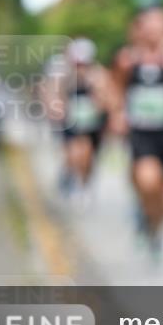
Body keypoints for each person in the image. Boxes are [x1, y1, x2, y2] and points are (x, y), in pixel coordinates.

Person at [112, 7, 163, 260]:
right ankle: (145, 214)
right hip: (141, 132)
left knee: (162, 192)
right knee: (148, 180)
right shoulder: (127, 59)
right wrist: (117, 114)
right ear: (140, 29)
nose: (154, 31)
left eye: (160, 26)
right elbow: (116, 91)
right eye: (149, 25)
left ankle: (154, 228)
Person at [48, 38, 113, 205]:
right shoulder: (63, 75)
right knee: (74, 154)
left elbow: (107, 101)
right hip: (71, 123)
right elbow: (53, 96)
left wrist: (96, 93)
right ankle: (73, 180)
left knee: (87, 156)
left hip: (92, 125)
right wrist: (57, 108)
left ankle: (84, 183)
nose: (80, 67)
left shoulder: (98, 75)